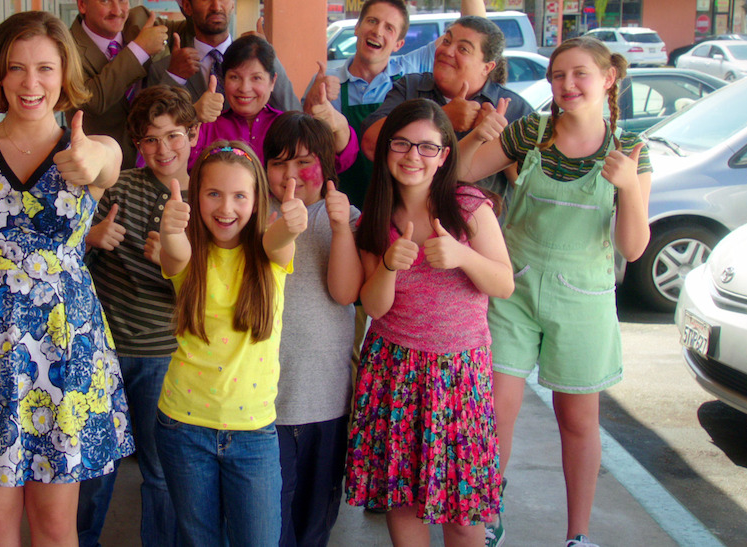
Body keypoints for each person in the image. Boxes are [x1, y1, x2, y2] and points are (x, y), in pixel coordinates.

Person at [0, 10, 133, 546]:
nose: (30, 83)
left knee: (56, 525)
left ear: (65, 75)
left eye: (44, 68)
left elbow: (107, 162)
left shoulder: (90, 145)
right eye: (15, 68)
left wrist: (92, 158)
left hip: (63, 349)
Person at [455, 37, 652, 547]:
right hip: (514, 287)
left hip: (583, 297)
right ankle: (488, 510)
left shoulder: (630, 150)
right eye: (557, 75)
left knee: (578, 420)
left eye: (579, 74)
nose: (566, 84)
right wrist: (477, 136)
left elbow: (632, 248)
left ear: (608, 79)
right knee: (495, 406)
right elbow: (455, 175)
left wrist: (629, 187)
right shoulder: (530, 131)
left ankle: (577, 535)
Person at [348, 100, 514, 547]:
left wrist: (462, 256)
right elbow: (374, 307)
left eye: (427, 147)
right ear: (385, 151)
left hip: (460, 373)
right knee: (402, 500)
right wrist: (387, 266)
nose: (412, 156)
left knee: (462, 513)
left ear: (444, 155)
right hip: (394, 371)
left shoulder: (467, 205)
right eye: (401, 144)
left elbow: (503, 283)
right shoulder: (375, 218)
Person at [155, 142, 307, 547]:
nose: (227, 207)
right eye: (213, 194)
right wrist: (171, 229)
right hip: (183, 427)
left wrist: (292, 222)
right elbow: (174, 254)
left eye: (240, 195)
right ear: (195, 196)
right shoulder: (189, 256)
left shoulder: (269, 255)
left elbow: (281, 239)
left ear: (257, 201)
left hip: (253, 433)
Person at [77, 86, 199, 547]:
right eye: (150, 139)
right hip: (102, 349)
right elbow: (62, 256)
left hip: (163, 354)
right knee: (93, 468)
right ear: (136, 144)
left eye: (173, 136)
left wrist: (171, 264)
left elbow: (212, 290)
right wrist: (90, 237)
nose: (163, 149)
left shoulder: (207, 198)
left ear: (193, 134)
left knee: (161, 471)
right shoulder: (117, 186)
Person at [303, 0, 486, 207]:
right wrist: (312, 105)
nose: (378, 31)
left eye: (389, 28)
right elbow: (305, 145)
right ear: (357, 28)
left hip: (398, 207)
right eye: (372, 21)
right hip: (343, 208)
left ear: (400, 43)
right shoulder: (329, 82)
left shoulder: (411, 71)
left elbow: (475, 29)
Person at [262, 112, 363, 547]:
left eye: (304, 162)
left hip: (325, 398)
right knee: (269, 518)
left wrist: (341, 229)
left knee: (316, 518)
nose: (290, 175)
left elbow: (345, 293)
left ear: (328, 165)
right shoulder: (250, 215)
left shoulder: (347, 218)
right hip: (263, 403)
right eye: (279, 162)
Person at [359, 17, 535, 196]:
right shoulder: (410, 88)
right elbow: (371, 145)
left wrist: (499, 139)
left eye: (463, 49)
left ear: (487, 67)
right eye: (446, 41)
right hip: (407, 218)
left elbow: (531, 190)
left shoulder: (514, 110)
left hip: (481, 221)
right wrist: (442, 117)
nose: (448, 51)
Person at [69, 0, 184, 167]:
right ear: (82, 4)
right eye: (105, 1)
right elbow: (91, 101)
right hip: (103, 173)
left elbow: (192, 30)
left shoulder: (140, 18)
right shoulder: (66, 48)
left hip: (158, 164)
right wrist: (139, 49)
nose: (118, 10)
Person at [189, 35, 358, 172]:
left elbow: (337, 162)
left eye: (256, 78)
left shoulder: (289, 126)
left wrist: (339, 125)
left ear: (272, 82)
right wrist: (192, 116)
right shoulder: (206, 128)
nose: (245, 88)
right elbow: (179, 162)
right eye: (235, 77)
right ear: (223, 81)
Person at [152, 0, 299, 112]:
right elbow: (151, 125)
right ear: (187, 7)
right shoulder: (166, 69)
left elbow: (292, 113)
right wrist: (174, 77)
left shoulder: (258, 62)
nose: (216, 6)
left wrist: (268, 56)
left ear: (232, 2)